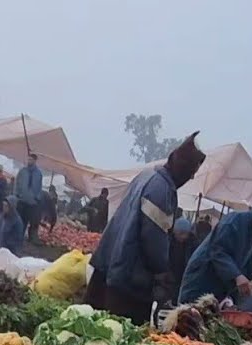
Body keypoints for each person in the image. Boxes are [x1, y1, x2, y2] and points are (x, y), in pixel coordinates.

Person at [85, 131, 206, 323]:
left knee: (93, 323)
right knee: (118, 332)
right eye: (191, 172)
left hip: (111, 261)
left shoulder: (148, 175)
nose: (191, 178)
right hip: (129, 275)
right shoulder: (161, 190)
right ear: (182, 168)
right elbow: (154, 239)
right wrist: (162, 272)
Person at [178, 196, 252, 304]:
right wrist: (237, 276)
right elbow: (217, 250)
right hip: (202, 278)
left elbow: (251, 264)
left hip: (224, 288)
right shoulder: (235, 222)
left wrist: (247, 281)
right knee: (188, 317)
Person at [156, 217, 200, 306]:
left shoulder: (193, 243)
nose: (182, 236)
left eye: (184, 234)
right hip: (170, 275)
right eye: (179, 234)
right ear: (175, 232)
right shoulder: (168, 241)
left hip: (185, 275)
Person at [15, 153, 44, 242]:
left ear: (35, 161)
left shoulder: (38, 174)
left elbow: (39, 187)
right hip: (21, 200)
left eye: (31, 160)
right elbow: (17, 184)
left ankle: (22, 237)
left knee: (26, 220)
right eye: (28, 159)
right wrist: (17, 195)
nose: (29, 161)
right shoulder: (22, 171)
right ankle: (17, 236)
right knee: (19, 219)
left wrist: (36, 198)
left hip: (31, 202)